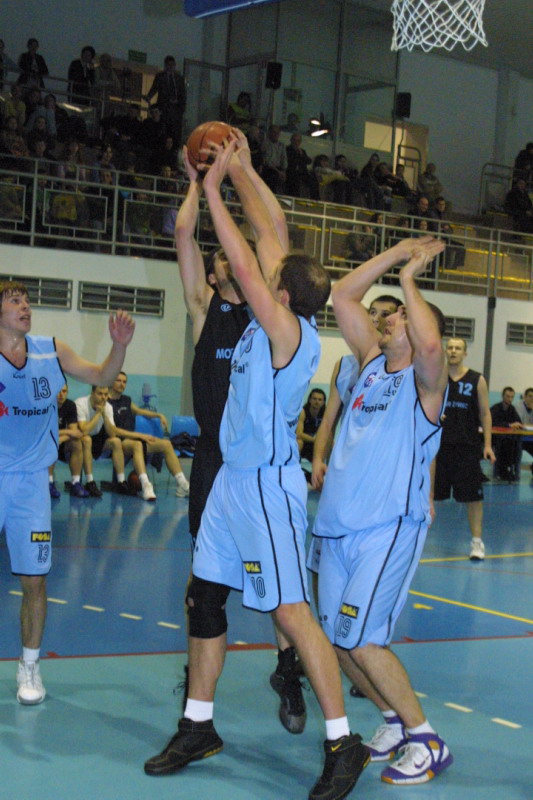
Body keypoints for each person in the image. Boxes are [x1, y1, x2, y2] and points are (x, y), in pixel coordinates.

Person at [145, 133, 369, 800]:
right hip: (228, 484)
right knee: (202, 594)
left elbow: (248, 262)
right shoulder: (270, 315)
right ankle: (198, 725)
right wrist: (240, 168)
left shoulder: (286, 331)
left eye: (271, 277)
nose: (261, 272)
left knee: (293, 615)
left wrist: (214, 188)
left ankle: (343, 741)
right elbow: (271, 232)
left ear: (282, 293)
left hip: (267, 489)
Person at [174, 131, 308, 736]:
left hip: (260, 464)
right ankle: (198, 693)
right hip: (213, 458)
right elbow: (185, 236)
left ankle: (289, 669)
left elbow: (272, 230)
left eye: (236, 255)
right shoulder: (205, 308)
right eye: (223, 256)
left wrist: (239, 173)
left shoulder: (267, 318)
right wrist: (195, 183)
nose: (230, 260)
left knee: (278, 587)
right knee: (205, 582)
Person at [313, 236, 453, 786]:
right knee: (337, 638)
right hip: (336, 528)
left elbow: (432, 345)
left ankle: (427, 740)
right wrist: (396, 255)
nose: (390, 319)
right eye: (391, 315)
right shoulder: (369, 364)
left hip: (385, 530)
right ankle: (393, 721)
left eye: (401, 317)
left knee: (364, 638)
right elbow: (343, 296)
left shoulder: (426, 387)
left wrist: (411, 280)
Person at [0, 280, 134, 704]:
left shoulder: (50, 351)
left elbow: (102, 376)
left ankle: (30, 666)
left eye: (26, 300)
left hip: (31, 485)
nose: (25, 306)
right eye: (14, 301)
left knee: (35, 579)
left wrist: (119, 347)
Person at [432, 338, 496, 561]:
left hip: (467, 448)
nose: (453, 351)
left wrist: (487, 445)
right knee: (427, 495)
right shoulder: (437, 377)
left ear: (465, 353)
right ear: (445, 351)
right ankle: (414, 539)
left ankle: (477, 542)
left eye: (458, 348)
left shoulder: (477, 379)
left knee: (473, 498)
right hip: (438, 448)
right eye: (450, 347)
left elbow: (485, 413)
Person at [108, 370, 190, 499]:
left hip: (134, 439)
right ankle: (146, 485)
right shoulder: (106, 402)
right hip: (117, 442)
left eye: (124, 382)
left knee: (166, 444)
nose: (122, 384)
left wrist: (158, 415)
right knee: (137, 445)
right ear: (111, 382)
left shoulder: (126, 400)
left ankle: (183, 484)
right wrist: (140, 436)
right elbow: (113, 430)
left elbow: (140, 411)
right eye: (118, 381)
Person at [75, 385, 134, 497]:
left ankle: (121, 482)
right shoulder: (80, 404)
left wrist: (104, 415)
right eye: (100, 394)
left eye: (106, 394)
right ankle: (90, 482)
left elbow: (112, 433)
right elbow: (84, 431)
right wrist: (98, 414)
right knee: (87, 439)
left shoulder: (108, 407)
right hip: (80, 439)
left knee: (116, 441)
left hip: (98, 438)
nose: (103, 397)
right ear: (92, 393)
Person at [49, 383, 91, 499]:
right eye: (58, 391)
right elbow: (46, 432)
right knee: (51, 442)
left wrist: (62, 437)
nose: (61, 394)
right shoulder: (46, 405)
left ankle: (75, 483)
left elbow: (75, 432)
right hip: (46, 443)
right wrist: (64, 434)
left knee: (76, 443)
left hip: (62, 442)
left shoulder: (70, 405)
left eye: (64, 391)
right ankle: (49, 483)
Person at [144, 56, 187, 147]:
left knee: (175, 131)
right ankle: (163, 146)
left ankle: (174, 148)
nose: (170, 67)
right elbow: (154, 88)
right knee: (164, 129)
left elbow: (183, 94)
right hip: (164, 108)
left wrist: (182, 109)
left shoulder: (179, 78)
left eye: (172, 65)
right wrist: (149, 97)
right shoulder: (160, 76)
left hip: (175, 110)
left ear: (175, 66)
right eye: (168, 65)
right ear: (165, 66)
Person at [490, 387, 523, 481]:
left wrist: (517, 425)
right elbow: (493, 422)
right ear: (503, 396)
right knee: (505, 444)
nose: (510, 399)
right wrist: (509, 425)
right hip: (495, 438)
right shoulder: (495, 408)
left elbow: (518, 422)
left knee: (516, 445)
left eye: (512, 397)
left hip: (508, 438)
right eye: (508, 396)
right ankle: (501, 471)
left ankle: (510, 470)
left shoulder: (512, 409)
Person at [296, 388, 326, 465]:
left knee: (330, 443)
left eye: (320, 400)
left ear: (323, 402)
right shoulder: (303, 412)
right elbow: (299, 434)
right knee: (299, 442)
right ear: (310, 400)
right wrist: (315, 440)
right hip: (303, 441)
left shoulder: (325, 414)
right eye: (314, 399)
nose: (317, 402)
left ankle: (327, 468)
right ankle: (295, 467)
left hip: (313, 443)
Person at [516, 387, 533, 479]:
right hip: (519, 437)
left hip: (530, 438)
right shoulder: (518, 406)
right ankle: (515, 472)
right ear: (525, 397)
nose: (531, 399)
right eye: (530, 396)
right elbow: (520, 423)